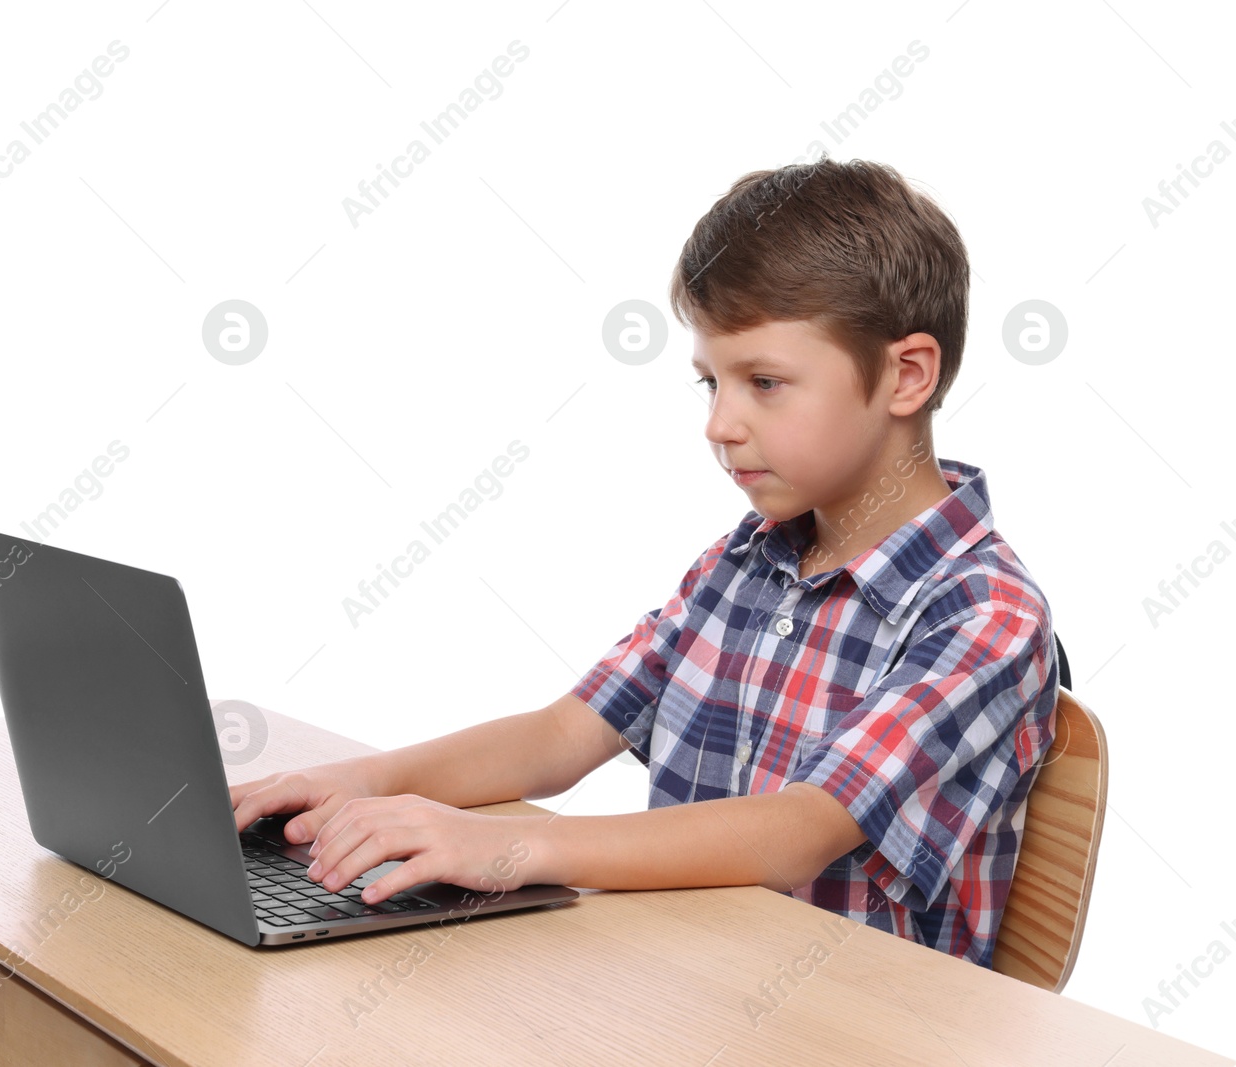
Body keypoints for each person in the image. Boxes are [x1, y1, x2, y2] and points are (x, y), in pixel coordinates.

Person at [230, 156, 1059, 968]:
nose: (720, 424)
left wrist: (516, 847)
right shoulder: (742, 565)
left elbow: (797, 830)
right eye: (710, 383)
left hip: (848, 1028)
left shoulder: (983, 614)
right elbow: (563, 733)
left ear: (906, 374)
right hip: (683, 987)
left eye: (764, 382)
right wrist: (363, 780)